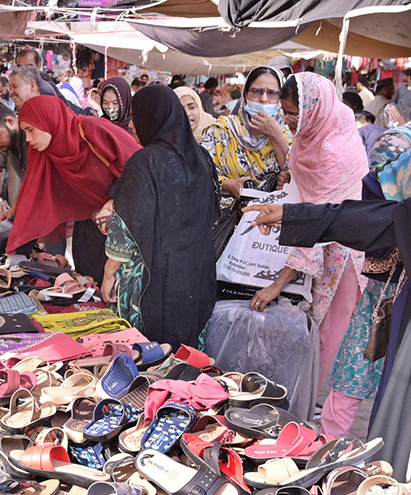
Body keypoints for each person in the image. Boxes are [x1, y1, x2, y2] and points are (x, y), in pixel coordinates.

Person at [242, 185, 411, 480]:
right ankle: (334, 459)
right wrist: (294, 215)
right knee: (355, 376)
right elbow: (388, 216)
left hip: (380, 288)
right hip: (385, 292)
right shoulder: (393, 169)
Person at [249, 74, 367, 425]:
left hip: (343, 252)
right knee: (315, 327)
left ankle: (310, 409)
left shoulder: (336, 150)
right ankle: (303, 403)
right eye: (284, 113)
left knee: (329, 332)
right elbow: (302, 179)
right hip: (316, 243)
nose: (287, 121)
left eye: (292, 114)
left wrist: (275, 284)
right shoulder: (314, 131)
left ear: (312, 110)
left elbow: (318, 225)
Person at [102, 85, 218, 348]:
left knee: (146, 351)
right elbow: (213, 212)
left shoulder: (144, 162)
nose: (132, 123)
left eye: (137, 115)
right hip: (195, 276)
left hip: (152, 278)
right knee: (185, 351)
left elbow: (125, 228)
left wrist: (109, 273)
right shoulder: (202, 159)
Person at [7, 95, 140, 282]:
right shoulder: (47, 153)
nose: (28, 139)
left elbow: (138, 165)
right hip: (87, 229)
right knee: (90, 285)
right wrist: (15, 250)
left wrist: (114, 197)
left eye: (31, 130)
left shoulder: (92, 129)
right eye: (25, 132)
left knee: (123, 286)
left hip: (122, 224)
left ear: (48, 120)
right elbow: (34, 198)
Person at [201, 66, 291, 207]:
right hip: (223, 221)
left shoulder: (288, 135)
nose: (264, 99)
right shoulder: (221, 131)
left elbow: (295, 177)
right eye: (256, 91)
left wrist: (276, 136)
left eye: (272, 93)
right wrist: (228, 184)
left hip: (269, 221)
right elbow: (200, 172)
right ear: (245, 95)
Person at [15, 50, 90, 115]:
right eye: (20, 67)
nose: (24, 70)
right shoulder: (29, 88)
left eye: (29, 66)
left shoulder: (42, 90)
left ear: (38, 66)